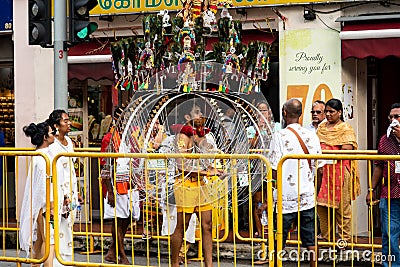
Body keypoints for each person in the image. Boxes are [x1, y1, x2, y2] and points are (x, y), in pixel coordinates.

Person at [268, 98, 323, 267]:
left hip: (285, 197)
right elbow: (319, 169)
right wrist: (315, 191)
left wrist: (272, 191)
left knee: (279, 238)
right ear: (300, 114)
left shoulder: (278, 136)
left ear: (284, 113)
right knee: (311, 238)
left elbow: (273, 168)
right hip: (307, 195)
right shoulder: (312, 136)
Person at [169, 99, 224, 267]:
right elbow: (181, 166)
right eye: (197, 113)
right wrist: (208, 171)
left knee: (207, 225)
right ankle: (174, 263)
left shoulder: (201, 135)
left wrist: (215, 169)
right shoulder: (182, 137)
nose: (202, 116)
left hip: (201, 185)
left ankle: (209, 264)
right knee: (182, 225)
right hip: (185, 185)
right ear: (187, 116)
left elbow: (208, 157)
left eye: (201, 112)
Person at [316, 98, 360, 243]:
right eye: (326, 111)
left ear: (339, 112)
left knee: (342, 209)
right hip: (323, 172)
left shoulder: (345, 128)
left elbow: (347, 148)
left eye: (331, 112)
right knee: (322, 207)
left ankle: (344, 240)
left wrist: (327, 150)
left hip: (340, 172)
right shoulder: (321, 128)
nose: (328, 114)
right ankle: (327, 238)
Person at [101, 107, 140, 265]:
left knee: (126, 220)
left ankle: (112, 251)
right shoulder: (109, 139)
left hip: (130, 185)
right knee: (118, 220)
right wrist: (110, 191)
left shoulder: (131, 137)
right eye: (124, 118)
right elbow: (105, 167)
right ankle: (122, 255)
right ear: (117, 119)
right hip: (116, 186)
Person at [366, 102, 400, 267]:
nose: (393, 120)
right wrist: (371, 189)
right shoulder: (385, 140)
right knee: (389, 233)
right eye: (391, 117)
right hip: (390, 193)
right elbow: (379, 166)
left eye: (397, 117)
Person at [20, 121, 56, 267]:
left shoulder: (41, 155)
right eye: (52, 133)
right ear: (45, 138)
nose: (54, 134)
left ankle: (34, 265)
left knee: (42, 238)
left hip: (43, 204)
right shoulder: (42, 158)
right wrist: (50, 204)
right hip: (45, 204)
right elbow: (42, 186)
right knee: (49, 241)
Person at [47, 110, 80, 265]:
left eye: (69, 120)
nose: (69, 124)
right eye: (65, 121)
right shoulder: (53, 146)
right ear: (56, 125)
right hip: (59, 191)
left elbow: (72, 169)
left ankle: (66, 260)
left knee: (69, 226)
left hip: (71, 190)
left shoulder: (69, 142)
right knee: (58, 227)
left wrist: (76, 191)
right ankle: (55, 261)